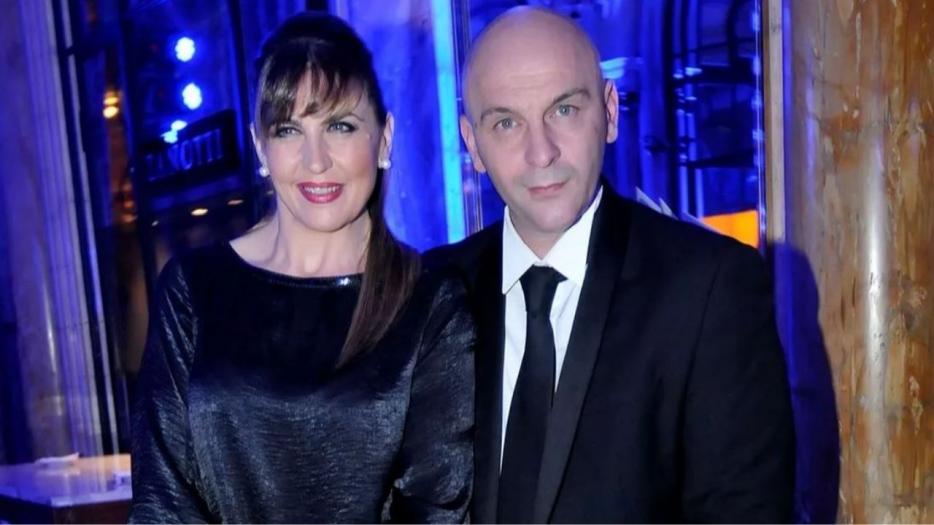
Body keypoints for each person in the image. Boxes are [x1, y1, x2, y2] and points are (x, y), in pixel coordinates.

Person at [426, 6, 794, 523]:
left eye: (564, 110)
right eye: (507, 123)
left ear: (610, 112)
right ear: (473, 144)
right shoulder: (433, 292)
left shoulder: (710, 288)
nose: (540, 152)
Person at [130, 12, 474, 523]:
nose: (316, 160)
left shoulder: (430, 303)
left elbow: (435, 508)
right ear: (260, 146)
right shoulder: (194, 289)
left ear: (384, 138)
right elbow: (162, 500)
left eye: (340, 126)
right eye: (289, 129)